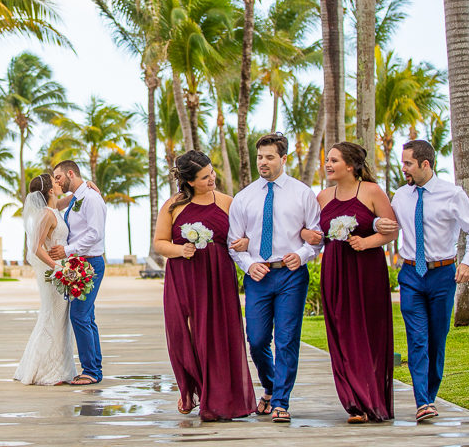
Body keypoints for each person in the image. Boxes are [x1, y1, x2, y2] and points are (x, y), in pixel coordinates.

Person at [375, 139, 469, 423]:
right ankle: (422, 401)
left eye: (408, 164)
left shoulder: (452, 194)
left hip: (442, 275)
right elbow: (387, 223)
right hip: (411, 275)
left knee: (437, 340)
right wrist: (378, 225)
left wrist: (467, 262)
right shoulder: (401, 195)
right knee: (417, 340)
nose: (404, 169)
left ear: (426, 164)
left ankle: (430, 396)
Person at [154, 150, 256, 421]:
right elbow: (159, 242)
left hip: (218, 277)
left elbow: (242, 238)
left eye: (211, 172)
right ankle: (191, 387)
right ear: (188, 182)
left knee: (217, 336)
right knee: (184, 335)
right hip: (184, 277)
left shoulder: (227, 202)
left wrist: (245, 243)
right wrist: (180, 250)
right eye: (204, 177)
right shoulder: (173, 206)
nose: (212, 179)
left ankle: (217, 395)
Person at [227, 133, 321, 423]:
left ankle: (281, 401)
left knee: (287, 339)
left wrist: (302, 254)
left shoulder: (303, 193)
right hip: (258, 277)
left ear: (283, 159)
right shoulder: (244, 198)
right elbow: (234, 242)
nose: (263, 162)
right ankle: (269, 386)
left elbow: (316, 237)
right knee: (255, 340)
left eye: (269, 157)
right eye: (260, 157)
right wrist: (248, 264)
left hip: (292, 275)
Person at [307, 142, 398, 423]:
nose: (328, 164)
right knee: (342, 332)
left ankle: (372, 398)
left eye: (334, 160)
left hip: (367, 268)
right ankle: (353, 402)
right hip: (334, 267)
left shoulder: (371, 191)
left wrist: (367, 241)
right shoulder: (322, 197)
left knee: (369, 331)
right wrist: (311, 237)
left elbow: (392, 230)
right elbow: (314, 233)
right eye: (328, 160)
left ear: (350, 165)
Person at [14, 173, 77, 386]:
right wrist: (56, 267)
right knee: (53, 317)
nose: (59, 183)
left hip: (61, 270)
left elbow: (66, 200)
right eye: (55, 182)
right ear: (50, 190)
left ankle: (57, 367)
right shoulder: (47, 215)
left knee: (58, 318)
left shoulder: (54, 209)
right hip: (54, 274)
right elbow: (35, 248)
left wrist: (84, 188)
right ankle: (47, 371)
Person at [48, 160, 107, 386]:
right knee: (87, 317)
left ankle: (91, 370)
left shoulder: (91, 198)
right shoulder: (77, 198)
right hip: (79, 264)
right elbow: (54, 204)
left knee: (79, 316)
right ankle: (94, 368)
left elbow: (95, 234)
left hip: (90, 263)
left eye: (59, 177)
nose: (56, 182)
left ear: (70, 173)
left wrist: (67, 250)